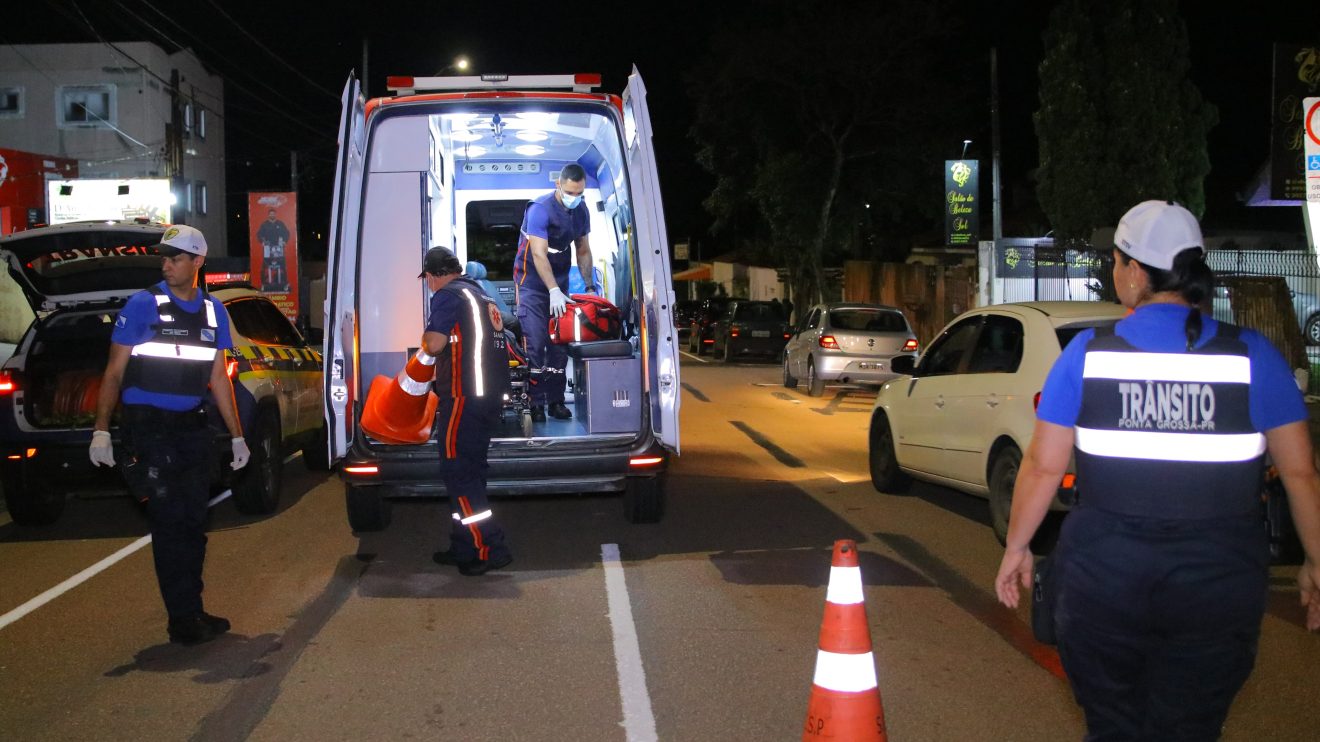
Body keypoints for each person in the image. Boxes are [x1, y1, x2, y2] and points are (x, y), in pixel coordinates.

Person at [994, 201, 1320, 739]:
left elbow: (1043, 467)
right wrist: (1314, 558)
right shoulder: (1252, 357)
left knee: (1114, 727)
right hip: (1217, 590)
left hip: (1103, 585)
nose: (1114, 272)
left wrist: (1016, 549)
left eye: (1116, 261)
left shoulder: (1085, 356)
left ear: (1136, 272)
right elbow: (1301, 473)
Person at [89, 224, 250, 646]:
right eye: (164, 257)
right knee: (171, 523)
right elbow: (113, 372)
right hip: (150, 430)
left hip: (193, 429)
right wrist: (101, 431)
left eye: (176, 257)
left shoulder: (214, 312)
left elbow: (219, 379)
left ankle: (193, 610)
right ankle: (181, 620)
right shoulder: (143, 306)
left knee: (195, 524)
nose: (168, 264)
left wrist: (237, 436)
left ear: (197, 263)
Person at [419, 247, 514, 576]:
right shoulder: (482, 295)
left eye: (428, 280)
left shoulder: (448, 295)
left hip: (462, 398)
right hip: (488, 399)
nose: (429, 286)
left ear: (433, 275)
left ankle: (489, 548)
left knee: (457, 473)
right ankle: (464, 546)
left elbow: (433, 344)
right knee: (471, 475)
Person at [512, 163, 595, 422]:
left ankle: (556, 401)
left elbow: (582, 250)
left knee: (559, 343)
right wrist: (553, 290)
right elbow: (538, 253)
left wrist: (590, 286)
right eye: (571, 192)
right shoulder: (539, 209)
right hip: (532, 285)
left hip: (559, 281)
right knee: (536, 344)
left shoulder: (581, 210)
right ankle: (535, 403)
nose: (575, 198)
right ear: (558, 185)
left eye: (580, 193)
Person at [256, 208, 290, 293]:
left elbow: (287, 233)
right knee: (265, 266)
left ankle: (285, 284)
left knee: (282, 266)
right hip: (268, 249)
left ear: (275, 215)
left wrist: (284, 241)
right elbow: (259, 235)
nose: (272, 215)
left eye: (273, 214)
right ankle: (264, 284)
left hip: (279, 248)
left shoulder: (280, 224)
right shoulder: (264, 225)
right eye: (270, 214)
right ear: (268, 215)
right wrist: (262, 242)